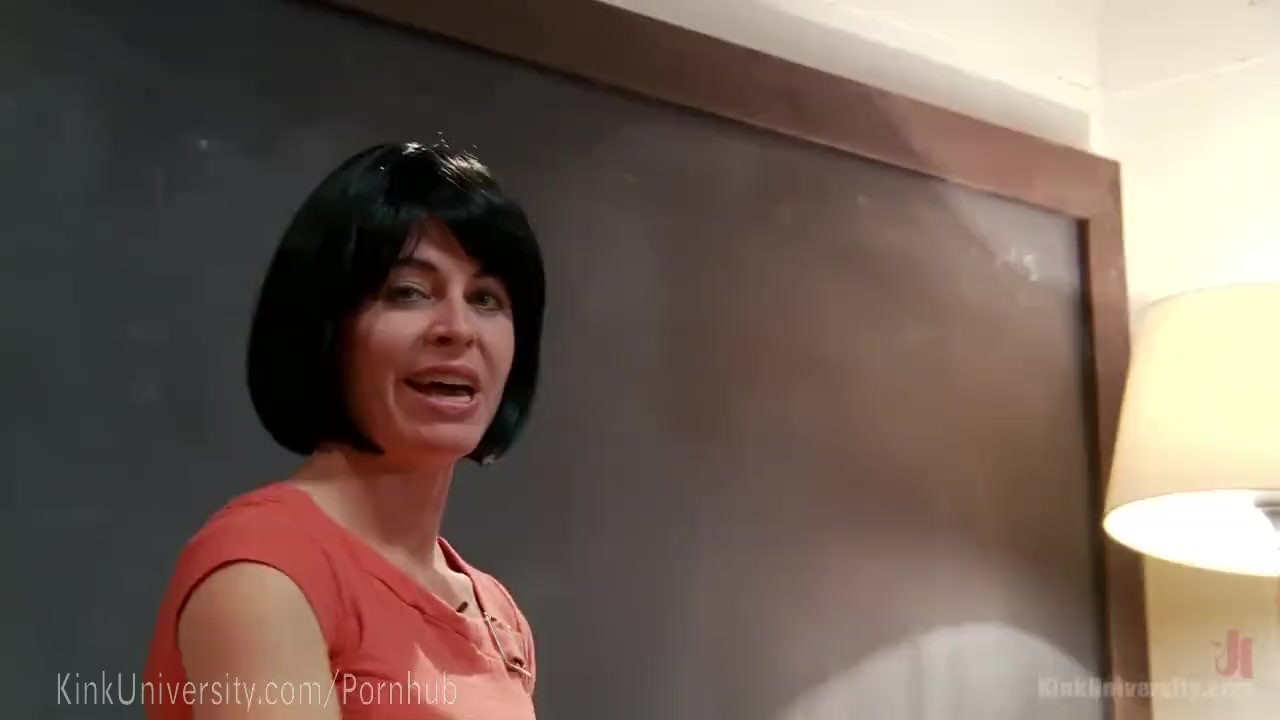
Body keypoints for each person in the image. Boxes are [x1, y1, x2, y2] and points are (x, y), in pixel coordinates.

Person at [143, 141, 546, 719]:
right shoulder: (265, 571)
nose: (458, 329)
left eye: (486, 299)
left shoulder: (496, 614)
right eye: (409, 292)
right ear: (326, 327)